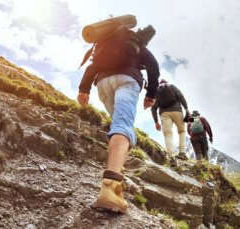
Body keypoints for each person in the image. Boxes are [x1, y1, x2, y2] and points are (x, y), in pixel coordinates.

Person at [77, 27, 160, 214]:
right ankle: (111, 188)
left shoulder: (105, 43)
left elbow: (92, 66)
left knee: (117, 125)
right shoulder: (138, 45)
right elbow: (154, 68)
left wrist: (84, 89)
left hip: (103, 84)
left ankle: (116, 168)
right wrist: (151, 95)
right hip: (127, 81)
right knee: (122, 127)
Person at [151, 79, 190, 164]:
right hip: (177, 111)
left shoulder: (157, 92)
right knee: (182, 131)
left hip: (164, 114)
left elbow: (153, 108)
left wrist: (156, 122)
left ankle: (171, 157)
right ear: (166, 83)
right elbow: (181, 96)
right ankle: (182, 153)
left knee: (168, 134)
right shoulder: (172, 87)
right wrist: (186, 109)